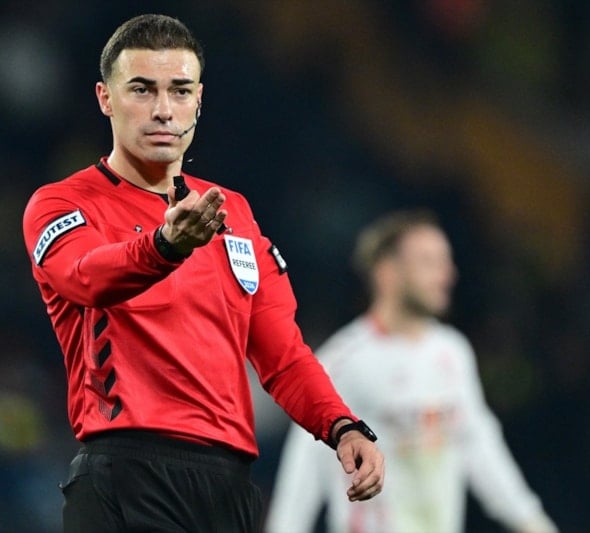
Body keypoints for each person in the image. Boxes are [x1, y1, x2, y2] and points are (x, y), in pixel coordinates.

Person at [21, 13, 384, 532]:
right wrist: (164, 247)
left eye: (179, 90)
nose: (163, 109)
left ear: (198, 100)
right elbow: (85, 278)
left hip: (227, 489)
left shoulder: (234, 215)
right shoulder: (63, 204)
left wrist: (341, 425)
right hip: (127, 476)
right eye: (142, 90)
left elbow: (282, 355)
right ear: (105, 98)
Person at [265, 210, 558, 533]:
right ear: (387, 273)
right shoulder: (344, 361)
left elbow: (478, 444)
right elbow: (304, 468)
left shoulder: (452, 351)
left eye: (445, 262)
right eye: (428, 262)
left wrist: (530, 520)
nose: (447, 274)